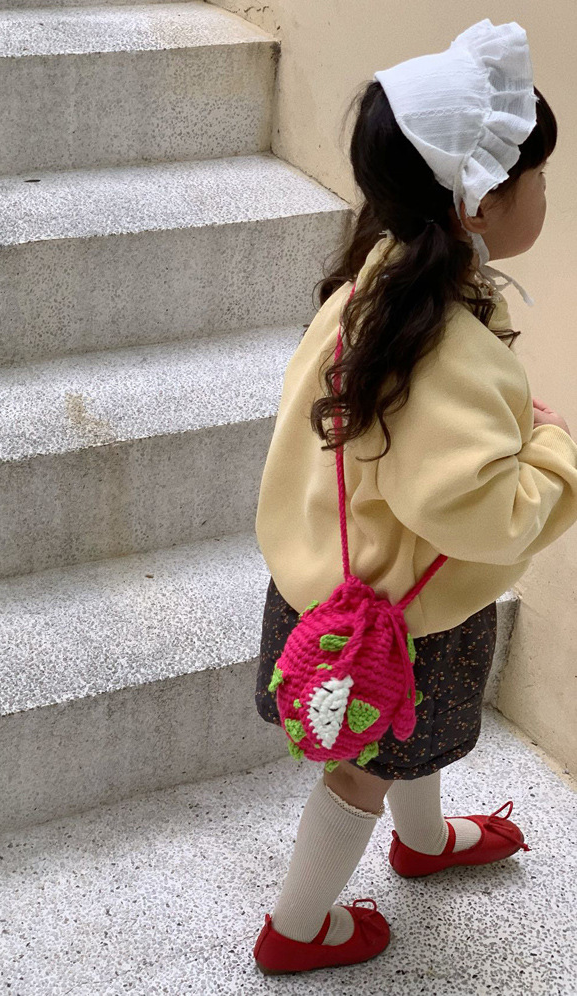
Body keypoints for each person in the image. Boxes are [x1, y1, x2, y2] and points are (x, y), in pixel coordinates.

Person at [252, 19, 577, 976]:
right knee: (365, 763)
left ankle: (425, 842)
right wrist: (552, 448)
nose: (546, 192)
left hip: (339, 581)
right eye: (536, 175)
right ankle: (297, 928)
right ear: (480, 202)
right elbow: (482, 510)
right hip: (399, 624)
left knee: (403, 742)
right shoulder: (439, 345)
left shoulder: (379, 284)